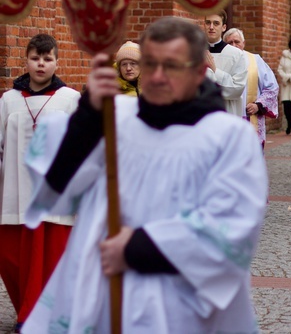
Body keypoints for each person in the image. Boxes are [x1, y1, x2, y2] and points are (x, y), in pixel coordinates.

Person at [21, 17, 268, 332]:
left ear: (198, 71)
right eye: (149, 63)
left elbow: (232, 224)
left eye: (171, 66)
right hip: (102, 295)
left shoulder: (228, 136)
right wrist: (89, 116)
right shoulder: (115, 118)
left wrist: (137, 247)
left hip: (180, 302)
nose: (157, 76)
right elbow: (58, 185)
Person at [0, 34, 80, 332]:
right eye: (36, 58)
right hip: (15, 191)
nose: (41, 64)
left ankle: (39, 316)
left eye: (47, 59)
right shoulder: (8, 100)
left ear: (56, 62)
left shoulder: (70, 99)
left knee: (50, 256)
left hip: (54, 193)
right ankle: (26, 305)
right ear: (27, 61)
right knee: (11, 255)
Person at [223, 28, 279, 147]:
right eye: (229, 43)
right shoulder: (221, 61)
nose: (234, 45)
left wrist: (258, 105)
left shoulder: (255, 60)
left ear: (243, 43)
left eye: (237, 41)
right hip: (227, 116)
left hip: (250, 116)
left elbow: (272, 87)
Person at [203, 11, 249, 117]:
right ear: (204, 25)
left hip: (227, 112)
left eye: (216, 23)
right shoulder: (194, 52)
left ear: (223, 27)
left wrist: (215, 70)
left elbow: (237, 89)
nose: (211, 27)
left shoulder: (236, 54)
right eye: (208, 23)